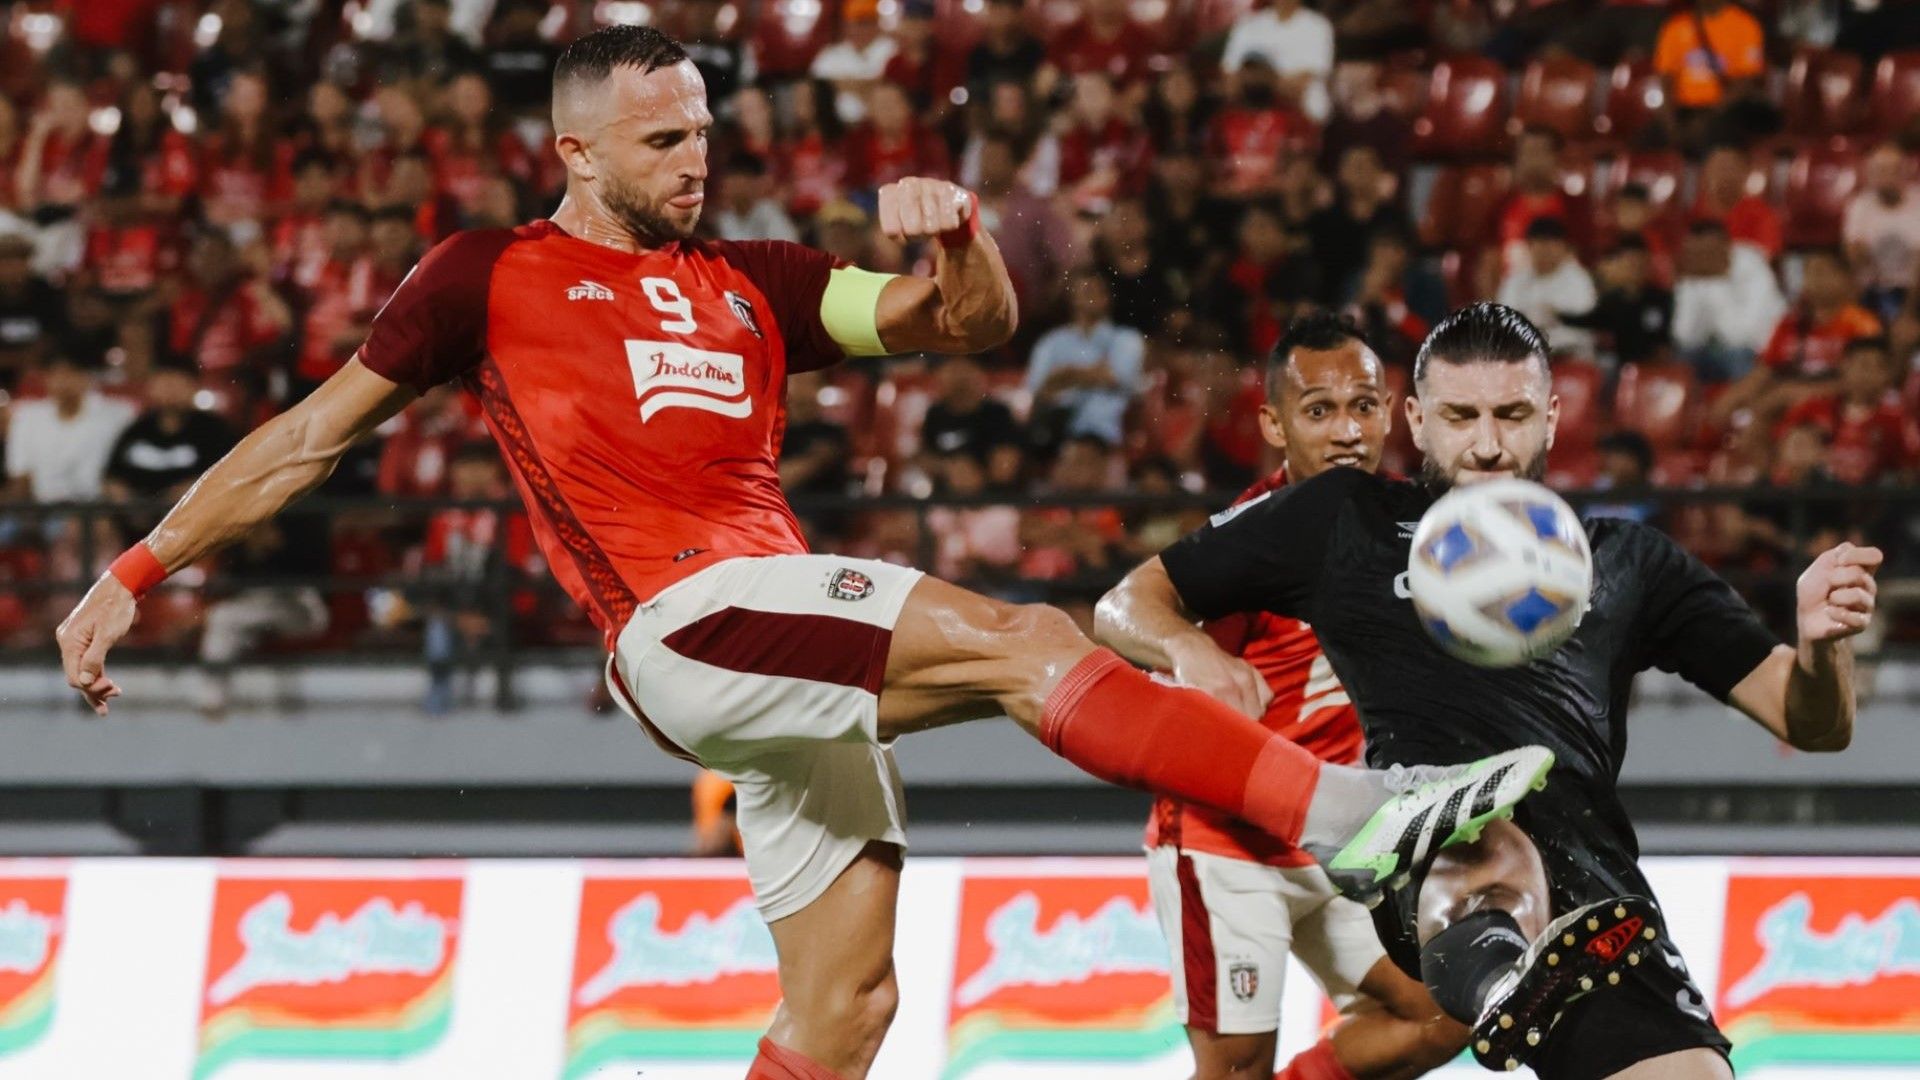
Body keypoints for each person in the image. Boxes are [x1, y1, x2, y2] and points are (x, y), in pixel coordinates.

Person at [55, 29, 1549, 1080]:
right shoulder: (488, 275)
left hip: (774, 639)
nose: (698, 159)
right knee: (1028, 639)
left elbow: (954, 327)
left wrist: (954, 240)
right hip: (683, 625)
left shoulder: (753, 283)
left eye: (706, 130)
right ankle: (1356, 813)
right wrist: (133, 575)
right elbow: (310, 440)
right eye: (663, 142)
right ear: (575, 147)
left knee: (847, 1011)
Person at [1096, 302, 1881, 1078]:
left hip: (1596, 897)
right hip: (1435, 850)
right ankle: (1504, 973)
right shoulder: (1344, 522)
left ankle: (1520, 977)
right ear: (1416, 418)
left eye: (1510, 415)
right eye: (1460, 416)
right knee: (1482, 859)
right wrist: (1189, 651)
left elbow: (1810, 722)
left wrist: (1825, 645)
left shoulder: (1626, 561)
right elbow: (1127, 602)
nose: (1487, 446)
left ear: (1551, 416)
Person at [1140, 313, 1468, 1080]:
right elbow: (1138, 628)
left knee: (1441, 1012)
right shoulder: (1249, 544)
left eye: (1364, 406)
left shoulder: (1421, 530)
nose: (1348, 430)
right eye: (1319, 411)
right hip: (1229, 846)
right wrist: (1186, 652)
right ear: (1275, 424)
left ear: (1394, 414)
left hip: (1347, 841)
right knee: (1234, 1067)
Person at [1671, 220, 1785, 382]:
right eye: (1694, 253)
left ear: (1726, 247)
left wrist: (1716, 284)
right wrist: (1697, 286)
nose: (1700, 259)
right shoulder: (1695, 274)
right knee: (1682, 359)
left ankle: (1744, 406)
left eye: (1707, 252)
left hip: (1759, 352)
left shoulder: (1752, 266)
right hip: (1719, 351)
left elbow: (1744, 335)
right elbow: (1685, 336)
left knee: (1738, 356)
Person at [1497, 218, 1599, 358]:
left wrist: (1554, 315)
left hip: (1570, 355)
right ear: (1529, 246)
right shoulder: (1515, 281)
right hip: (1526, 357)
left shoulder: (1579, 279)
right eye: (1540, 243)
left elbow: (1585, 320)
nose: (1545, 250)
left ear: (1564, 247)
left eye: (1552, 244)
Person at [1843, 142, 1920, 322]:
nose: (1885, 177)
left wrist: (1908, 314)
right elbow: (1855, 259)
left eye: (1891, 170)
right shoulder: (1860, 205)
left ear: (1905, 171)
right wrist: (1857, 252)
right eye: (1878, 171)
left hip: (1913, 289)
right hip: (1874, 288)